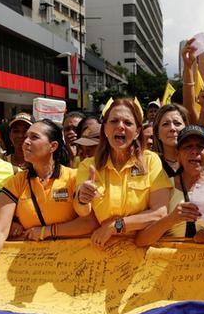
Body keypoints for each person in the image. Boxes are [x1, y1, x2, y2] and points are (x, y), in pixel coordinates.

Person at [0, 121, 97, 298]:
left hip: (72, 270)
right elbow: (0, 229)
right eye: (26, 137)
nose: (25, 141)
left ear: (53, 146)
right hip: (30, 270)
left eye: (34, 137)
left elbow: (88, 222)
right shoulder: (16, 181)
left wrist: (46, 231)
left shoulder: (73, 178)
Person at [74, 98, 172, 247]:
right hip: (101, 249)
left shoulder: (150, 161)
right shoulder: (87, 166)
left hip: (142, 250)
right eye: (114, 121)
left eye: (128, 123)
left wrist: (115, 226)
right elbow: (82, 212)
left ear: (138, 132)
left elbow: (159, 213)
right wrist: (82, 198)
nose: (120, 126)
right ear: (105, 128)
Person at [135, 125, 204, 246]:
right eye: (187, 147)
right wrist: (172, 219)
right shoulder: (164, 186)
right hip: (173, 263)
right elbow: (142, 240)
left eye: (200, 147)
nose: (194, 151)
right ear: (177, 154)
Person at [152, 103, 188, 177]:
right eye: (165, 124)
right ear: (157, 133)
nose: (172, 128)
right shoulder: (149, 163)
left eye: (177, 123)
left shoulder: (196, 160)